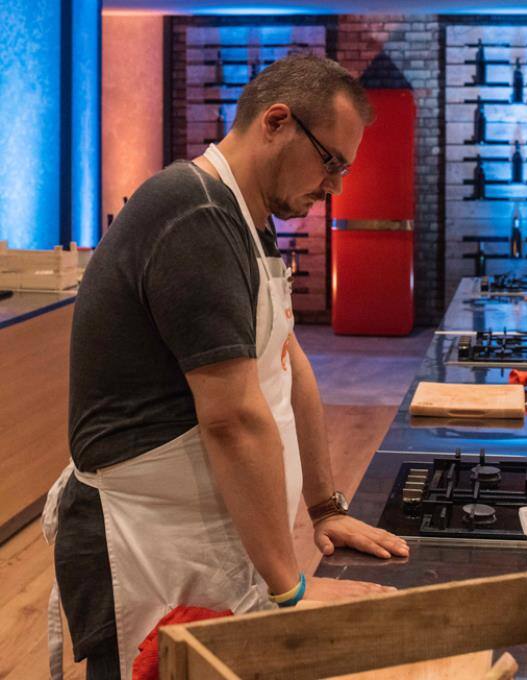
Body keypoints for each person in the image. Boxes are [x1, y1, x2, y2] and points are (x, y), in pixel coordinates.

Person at [43, 53, 409, 680]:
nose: (336, 188)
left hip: (210, 537)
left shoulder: (248, 219)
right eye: (331, 162)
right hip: (148, 545)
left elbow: (289, 363)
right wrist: (292, 589)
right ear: (277, 122)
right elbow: (233, 419)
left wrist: (326, 506)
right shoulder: (195, 214)